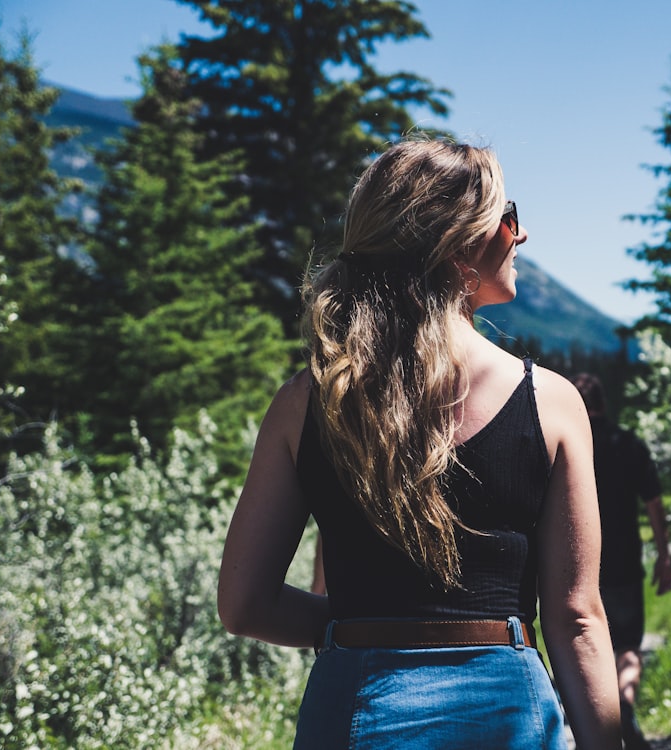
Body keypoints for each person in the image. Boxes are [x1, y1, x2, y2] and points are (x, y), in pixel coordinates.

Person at [217, 138, 621, 749]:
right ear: (459, 243)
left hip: (355, 708)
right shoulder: (551, 403)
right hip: (505, 711)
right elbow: (576, 618)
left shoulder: (305, 402)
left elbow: (244, 605)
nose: (524, 235)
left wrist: (372, 625)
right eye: (508, 217)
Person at [570, 373, 671, 750]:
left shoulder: (569, 441)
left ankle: (599, 723)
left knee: (584, 641)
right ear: (605, 402)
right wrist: (664, 557)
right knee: (627, 644)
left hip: (579, 565)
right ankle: (624, 705)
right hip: (626, 562)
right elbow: (654, 505)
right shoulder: (629, 444)